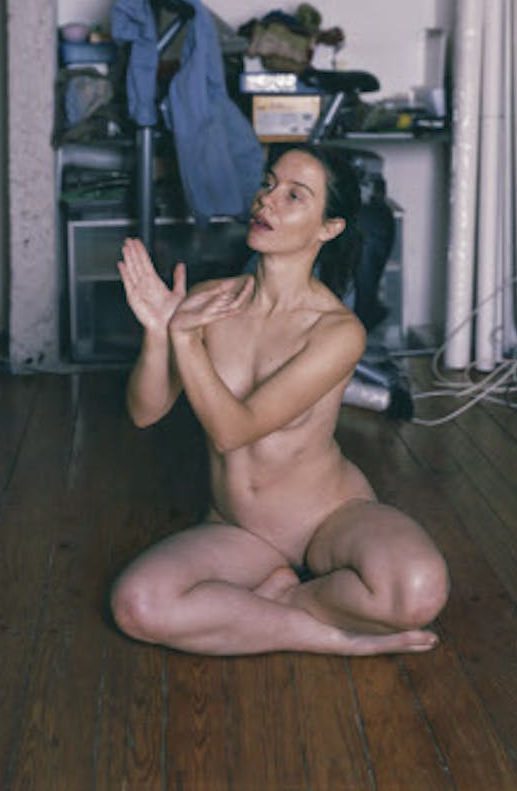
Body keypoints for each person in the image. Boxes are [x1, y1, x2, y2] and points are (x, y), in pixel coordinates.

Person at [110, 143, 449, 656]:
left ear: (328, 228)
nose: (267, 200)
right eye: (268, 184)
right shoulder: (210, 299)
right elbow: (145, 411)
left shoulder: (337, 331)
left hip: (328, 518)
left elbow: (234, 430)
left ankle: (279, 601)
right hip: (239, 528)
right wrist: (159, 335)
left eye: (294, 195)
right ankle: (325, 634)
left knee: (417, 589)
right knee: (137, 604)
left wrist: (184, 339)